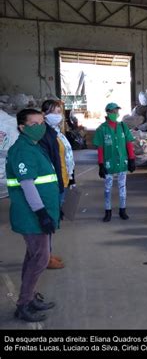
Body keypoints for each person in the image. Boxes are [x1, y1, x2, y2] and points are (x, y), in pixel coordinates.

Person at [6, 108, 59, 322]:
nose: (40, 127)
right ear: (22, 127)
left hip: (39, 212)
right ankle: (23, 304)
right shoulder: (22, 150)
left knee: (33, 257)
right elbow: (27, 185)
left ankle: (29, 298)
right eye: (34, 124)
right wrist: (42, 214)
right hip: (31, 215)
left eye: (42, 123)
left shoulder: (33, 146)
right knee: (41, 258)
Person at [40, 100, 76, 269]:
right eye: (54, 111)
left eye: (59, 111)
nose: (58, 115)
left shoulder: (56, 132)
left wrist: (71, 177)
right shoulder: (45, 135)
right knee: (48, 221)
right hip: (53, 183)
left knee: (53, 220)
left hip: (62, 180)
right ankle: (44, 258)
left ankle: (47, 253)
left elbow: (65, 156)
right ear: (44, 114)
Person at [93, 102, 136, 222]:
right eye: (113, 111)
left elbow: (128, 143)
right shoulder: (101, 129)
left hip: (122, 162)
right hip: (108, 163)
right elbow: (100, 148)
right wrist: (101, 164)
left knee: (122, 187)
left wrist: (132, 159)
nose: (115, 113)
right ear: (107, 112)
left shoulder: (123, 126)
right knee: (108, 188)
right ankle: (108, 211)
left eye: (117, 111)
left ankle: (123, 209)